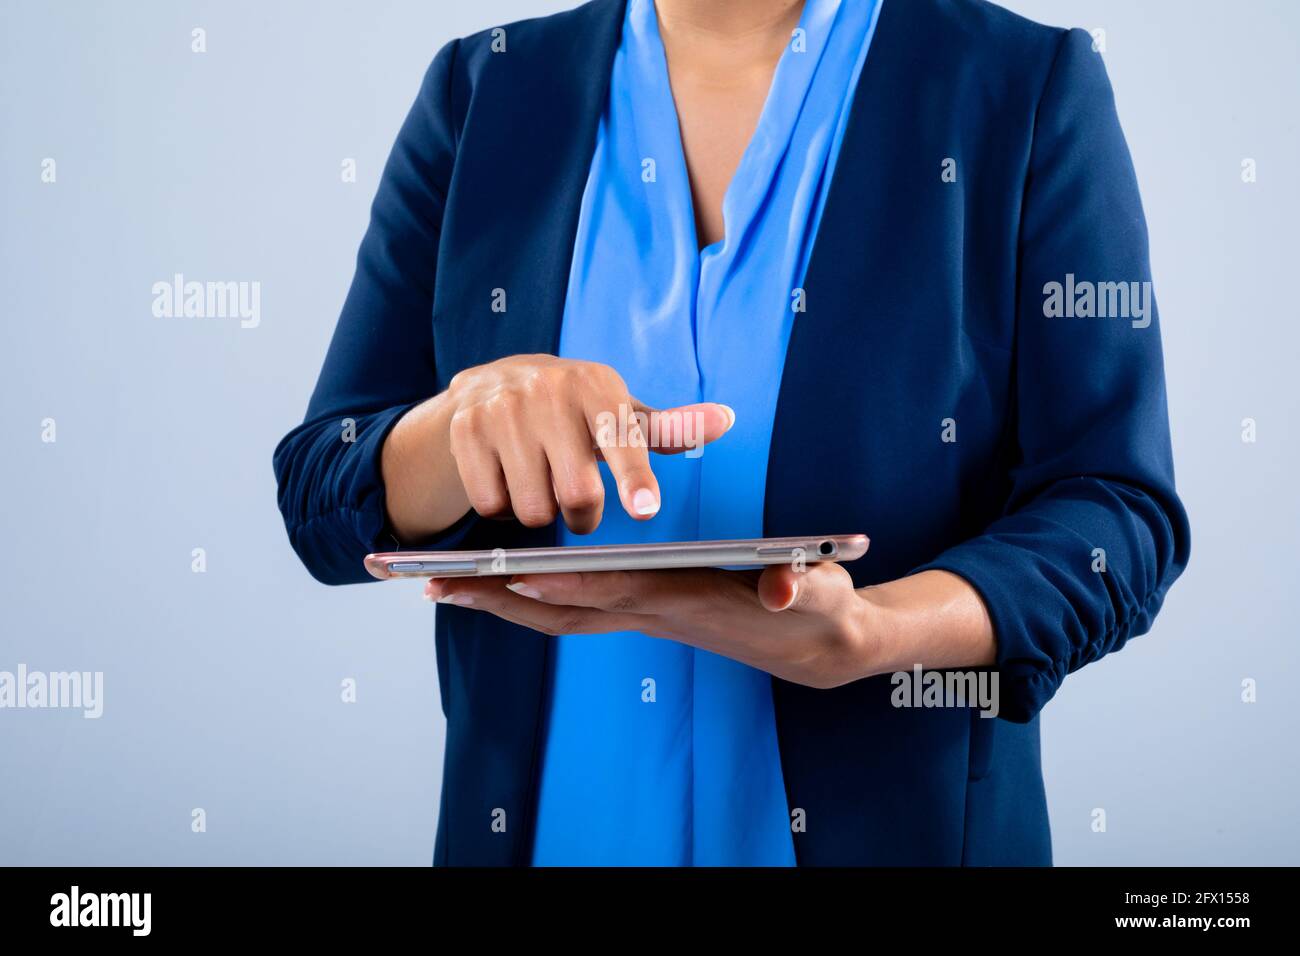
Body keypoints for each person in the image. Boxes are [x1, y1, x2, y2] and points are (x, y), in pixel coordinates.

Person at [274, 0, 1191, 866]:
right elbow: (323, 484)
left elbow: (1116, 509)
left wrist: (877, 633)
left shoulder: (1019, 84)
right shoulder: (486, 91)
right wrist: (463, 428)